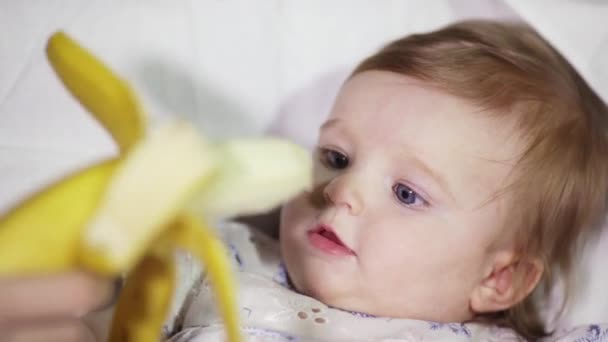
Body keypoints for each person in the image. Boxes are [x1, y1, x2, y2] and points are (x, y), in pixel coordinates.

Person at [2, 19, 607, 341]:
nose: (342, 192)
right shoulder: (223, 257)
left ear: (499, 278)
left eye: (406, 193)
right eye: (337, 157)